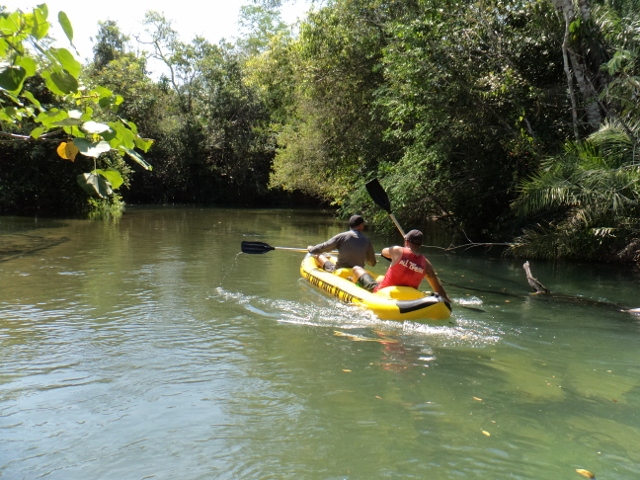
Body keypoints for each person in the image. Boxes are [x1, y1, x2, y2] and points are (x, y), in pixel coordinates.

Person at [352, 229, 451, 302]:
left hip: (383, 293)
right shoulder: (426, 264)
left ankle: (353, 287)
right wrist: (447, 302)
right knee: (380, 279)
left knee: (357, 269)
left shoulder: (397, 251)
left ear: (406, 241)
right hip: (409, 300)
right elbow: (438, 289)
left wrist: (399, 254)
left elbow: (383, 252)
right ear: (420, 245)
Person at [308, 215, 376, 272]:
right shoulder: (367, 241)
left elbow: (325, 246)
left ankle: (319, 256)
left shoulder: (342, 236)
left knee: (319, 255)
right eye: (363, 224)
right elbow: (372, 263)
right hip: (358, 273)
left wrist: (311, 249)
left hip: (340, 271)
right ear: (361, 225)